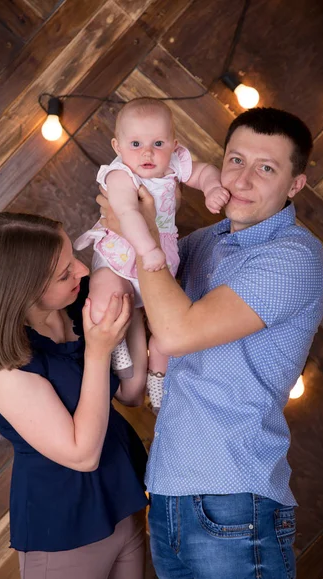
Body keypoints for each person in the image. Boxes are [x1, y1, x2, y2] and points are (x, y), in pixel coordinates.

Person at [98, 107, 323, 579]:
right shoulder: (201, 243)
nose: (242, 180)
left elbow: (178, 333)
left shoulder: (291, 256)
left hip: (235, 498)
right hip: (166, 493)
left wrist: (136, 230)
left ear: (296, 184)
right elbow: (145, 313)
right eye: (235, 160)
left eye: (266, 168)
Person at [0, 212, 149, 579]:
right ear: (21, 292)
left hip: (123, 505)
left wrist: (130, 302)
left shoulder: (76, 307)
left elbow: (131, 392)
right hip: (65, 530)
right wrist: (100, 349)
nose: (81, 269)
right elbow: (82, 453)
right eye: (63, 273)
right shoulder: (0, 369)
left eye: (72, 256)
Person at [75, 97, 229, 413]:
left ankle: (158, 379)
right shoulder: (120, 176)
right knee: (106, 291)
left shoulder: (173, 164)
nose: (147, 153)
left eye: (158, 143)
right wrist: (147, 249)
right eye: (136, 144)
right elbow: (129, 213)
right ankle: (115, 339)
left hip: (160, 260)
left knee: (166, 332)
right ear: (117, 147)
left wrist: (212, 187)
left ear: (174, 145)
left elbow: (204, 172)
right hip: (121, 256)